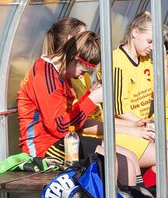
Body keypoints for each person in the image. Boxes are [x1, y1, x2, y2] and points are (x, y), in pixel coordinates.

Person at [110, 11, 168, 182]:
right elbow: (119, 110)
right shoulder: (117, 62)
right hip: (122, 128)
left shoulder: (144, 60)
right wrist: (141, 125)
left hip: (141, 125)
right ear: (135, 32)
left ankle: (150, 190)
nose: (151, 47)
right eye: (150, 41)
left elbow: (161, 92)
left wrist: (162, 59)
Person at [16, 30, 104, 171]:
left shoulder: (60, 74)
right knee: (111, 160)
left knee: (123, 155)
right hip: (43, 150)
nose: (81, 76)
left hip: (61, 141)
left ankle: (132, 193)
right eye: (82, 71)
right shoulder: (46, 76)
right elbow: (59, 127)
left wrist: (90, 95)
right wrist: (92, 100)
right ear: (74, 58)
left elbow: (69, 118)